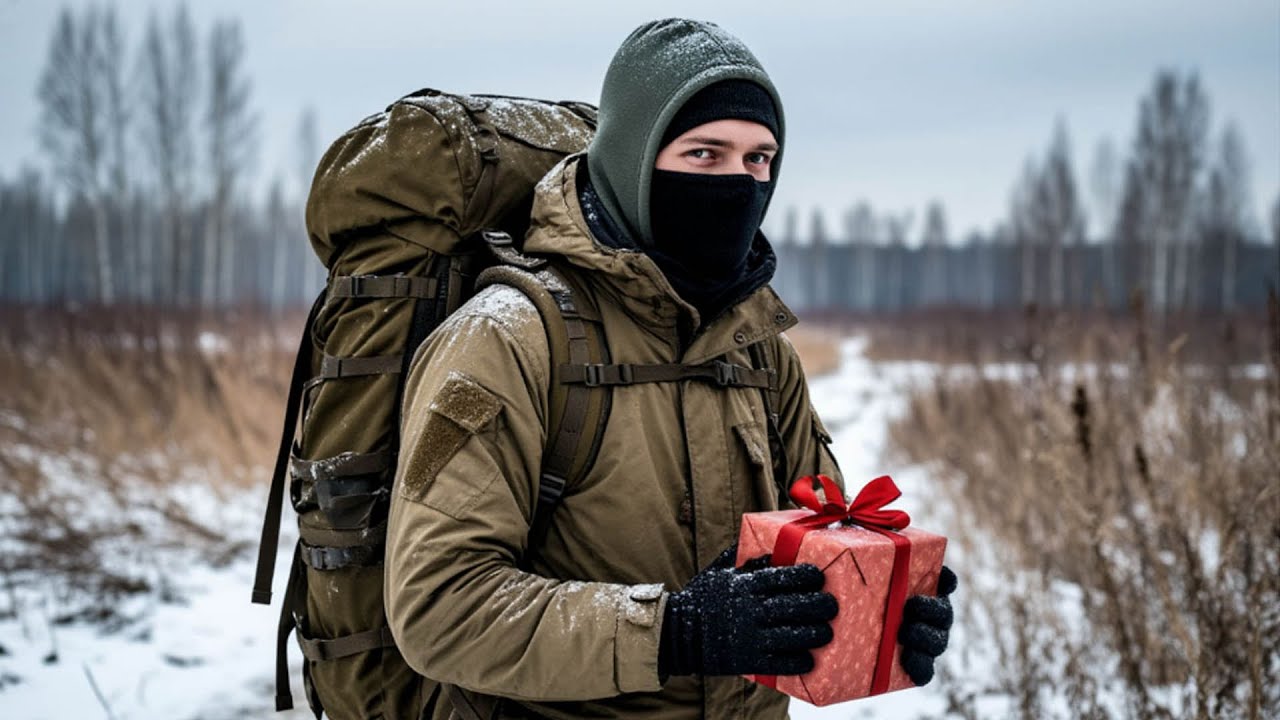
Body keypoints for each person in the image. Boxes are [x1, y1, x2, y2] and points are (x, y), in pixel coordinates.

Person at [385, 17, 955, 719]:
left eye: (758, 159)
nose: (739, 183)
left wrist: (889, 601)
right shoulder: (509, 338)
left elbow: (815, 548)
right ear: (634, 158)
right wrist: (675, 630)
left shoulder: (757, 347)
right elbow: (440, 607)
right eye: (705, 155)